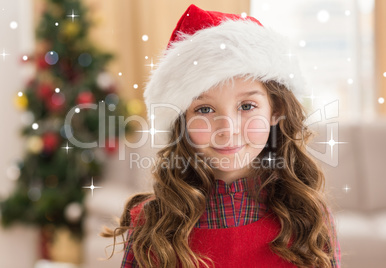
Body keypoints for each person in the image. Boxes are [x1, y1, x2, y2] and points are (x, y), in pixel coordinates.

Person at [100, 4, 341, 268]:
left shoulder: (308, 217)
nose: (228, 129)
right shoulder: (154, 223)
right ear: (183, 123)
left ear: (277, 110)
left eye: (247, 106)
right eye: (205, 109)